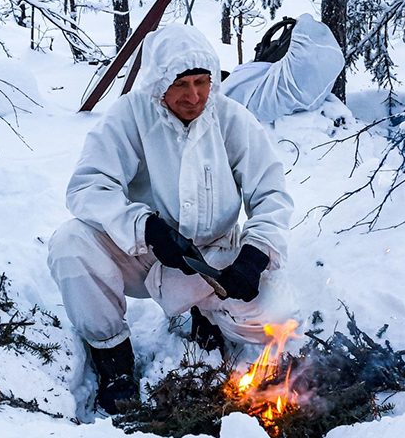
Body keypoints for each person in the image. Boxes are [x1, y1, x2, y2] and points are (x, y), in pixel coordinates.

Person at [47, 23, 294, 415]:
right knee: (71, 244)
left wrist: (256, 252)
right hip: (146, 252)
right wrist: (143, 226)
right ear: (159, 80)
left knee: (264, 324)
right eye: (181, 84)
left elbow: (272, 194)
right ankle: (113, 359)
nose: (194, 96)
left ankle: (206, 313)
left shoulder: (231, 119)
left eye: (202, 82)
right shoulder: (130, 115)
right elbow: (88, 186)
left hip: (213, 259)